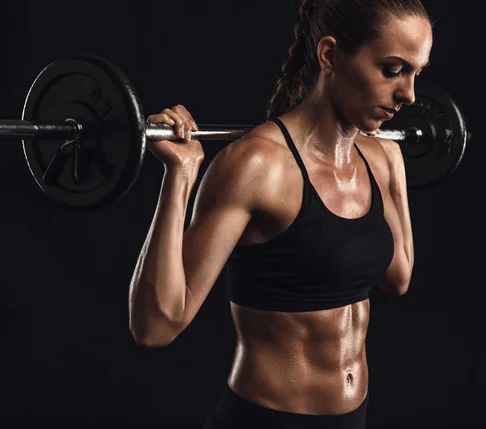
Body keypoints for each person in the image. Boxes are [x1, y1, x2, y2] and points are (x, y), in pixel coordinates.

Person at [128, 0, 433, 427]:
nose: (409, 95)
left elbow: (398, 277)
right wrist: (180, 174)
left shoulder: (382, 158)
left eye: (417, 73)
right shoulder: (257, 165)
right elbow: (155, 326)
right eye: (392, 70)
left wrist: (394, 174)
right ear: (329, 55)